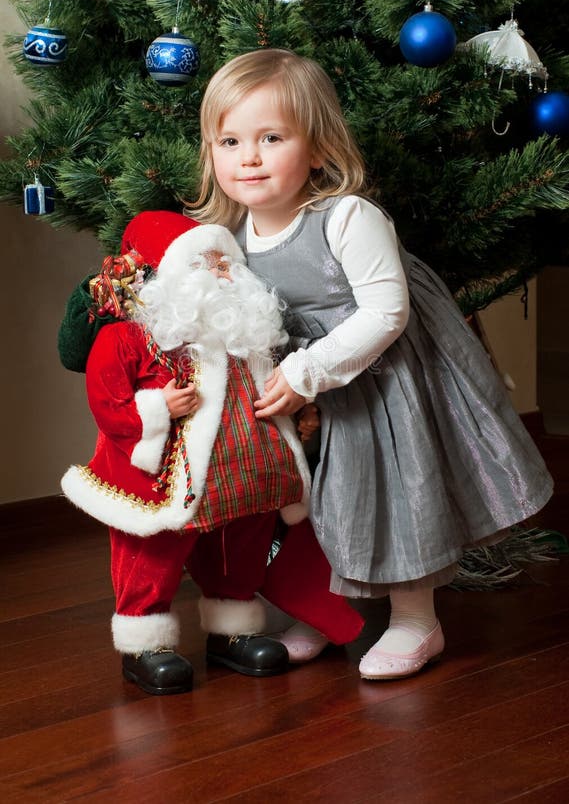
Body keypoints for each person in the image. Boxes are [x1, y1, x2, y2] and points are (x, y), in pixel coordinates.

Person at [184, 47, 554, 681]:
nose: (248, 157)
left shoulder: (346, 218)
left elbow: (387, 312)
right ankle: (333, 610)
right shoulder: (233, 238)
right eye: (230, 140)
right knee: (319, 501)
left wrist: (306, 373)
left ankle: (417, 619)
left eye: (272, 137)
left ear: (319, 149)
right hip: (304, 399)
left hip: (380, 383)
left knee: (393, 495)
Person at [61, 214, 364, 694]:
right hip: (163, 479)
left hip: (245, 472)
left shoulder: (248, 329)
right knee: (152, 554)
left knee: (239, 549)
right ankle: (144, 643)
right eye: (207, 263)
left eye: (228, 263)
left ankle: (232, 629)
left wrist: (300, 404)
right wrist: (157, 406)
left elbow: (276, 380)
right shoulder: (131, 336)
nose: (223, 273)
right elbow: (106, 399)